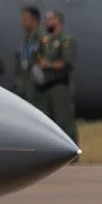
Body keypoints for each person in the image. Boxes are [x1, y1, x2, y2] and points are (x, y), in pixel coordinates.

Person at [35, 10, 78, 143]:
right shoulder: (47, 41)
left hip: (60, 87)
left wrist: (48, 65)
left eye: (48, 20)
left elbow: (67, 63)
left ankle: (73, 155)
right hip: (46, 87)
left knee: (65, 121)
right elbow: (39, 58)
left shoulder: (66, 40)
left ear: (57, 21)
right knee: (49, 122)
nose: (45, 23)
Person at [13, 6, 43, 102]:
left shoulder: (44, 41)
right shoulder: (24, 42)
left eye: (25, 20)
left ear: (34, 21)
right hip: (22, 90)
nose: (21, 23)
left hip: (37, 92)